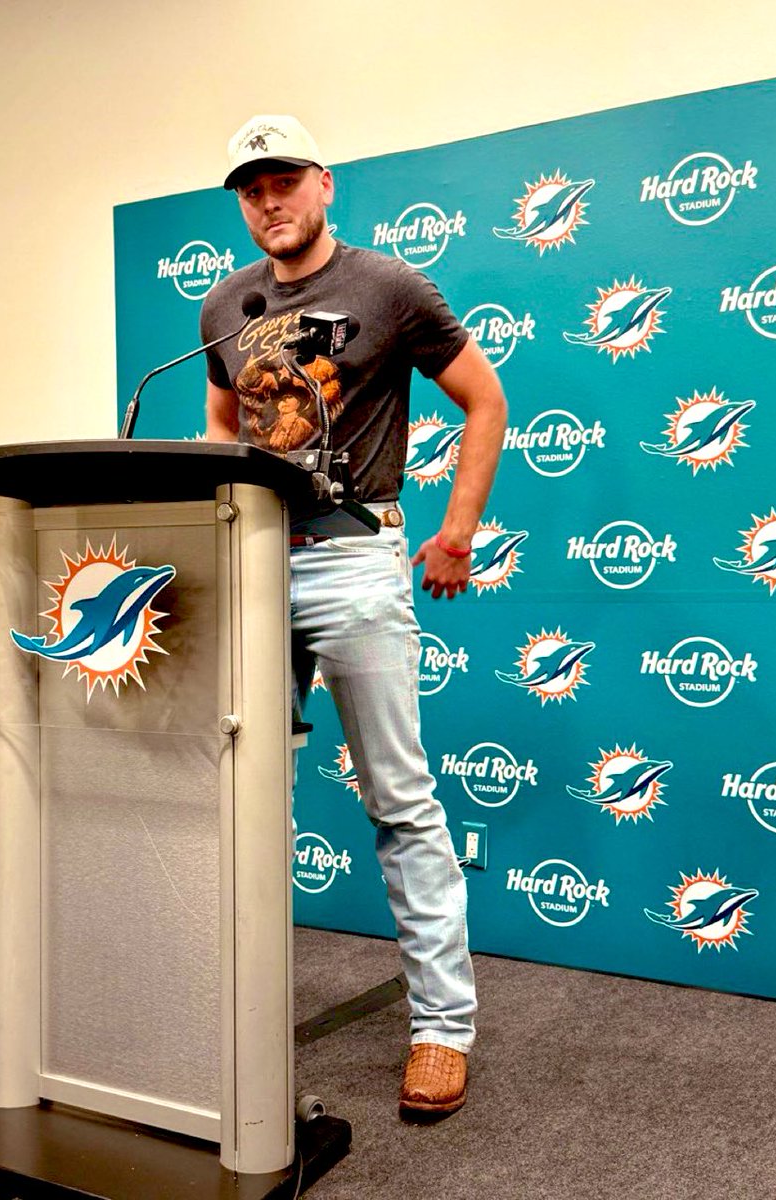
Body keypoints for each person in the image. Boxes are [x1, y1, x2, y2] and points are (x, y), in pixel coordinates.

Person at [201, 114, 507, 1120]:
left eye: (284, 180)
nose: (269, 202)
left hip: (353, 560)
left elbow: (484, 399)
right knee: (243, 799)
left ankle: (441, 1030)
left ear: (323, 184)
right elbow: (221, 429)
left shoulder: (389, 287)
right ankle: (230, 1014)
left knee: (399, 800)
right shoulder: (225, 305)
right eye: (252, 189)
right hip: (249, 564)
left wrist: (457, 529)